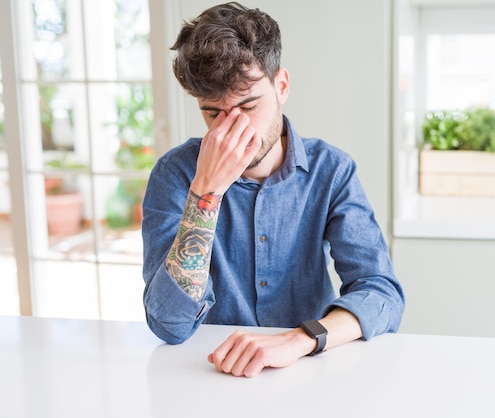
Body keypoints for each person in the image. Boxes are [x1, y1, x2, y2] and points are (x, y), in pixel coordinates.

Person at [141, 1, 405, 378]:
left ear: (281, 85)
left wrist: (300, 339)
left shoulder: (331, 171)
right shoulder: (175, 174)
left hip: (311, 373)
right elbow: (169, 324)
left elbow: (382, 295)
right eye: (213, 113)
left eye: (247, 105)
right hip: (209, 379)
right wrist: (207, 192)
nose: (233, 130)